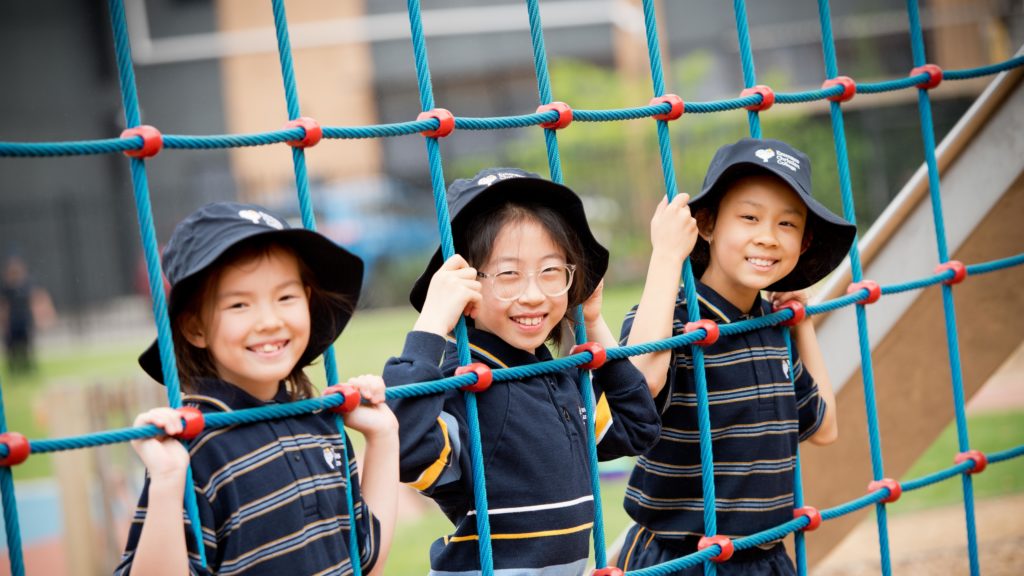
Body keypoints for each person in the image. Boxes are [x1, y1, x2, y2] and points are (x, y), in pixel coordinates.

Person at [382, 168, 661, 575]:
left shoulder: (556, 375)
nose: (532, 295)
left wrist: (594, 322)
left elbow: (639, 427)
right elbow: (403, 446)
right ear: (466, 289)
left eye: (551, 272)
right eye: (508, 274)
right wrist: (432, 324)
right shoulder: (464, 381)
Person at [115, 202, 399, 576]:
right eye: (239, 304)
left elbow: (365, 564)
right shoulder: (193, 445)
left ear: (308, 304)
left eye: (285, 297)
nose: (269, 321)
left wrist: (384, 437)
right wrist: (168, 482)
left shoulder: (322, 425)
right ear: (194, 327)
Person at [616, 138, 857, 574]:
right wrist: (668, 257)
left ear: (803, 244)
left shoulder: (770, 327)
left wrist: (800, 325)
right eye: (749, 217)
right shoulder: (672, 317)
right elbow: (640, 385)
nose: (767, 237)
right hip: (684, 557)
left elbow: (824, 426)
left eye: (787, 224)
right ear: (706, 224)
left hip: (765, 555)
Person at [0, 254, 56, 374]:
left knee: (27, 346)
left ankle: (28, 368)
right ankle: (14, 369)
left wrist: (44, 317)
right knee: (11, 347)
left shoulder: (28, 285)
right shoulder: (6, 288)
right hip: (12, 323)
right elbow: (4, 306)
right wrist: (4, 322)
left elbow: (38, 300)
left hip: (24, 321)